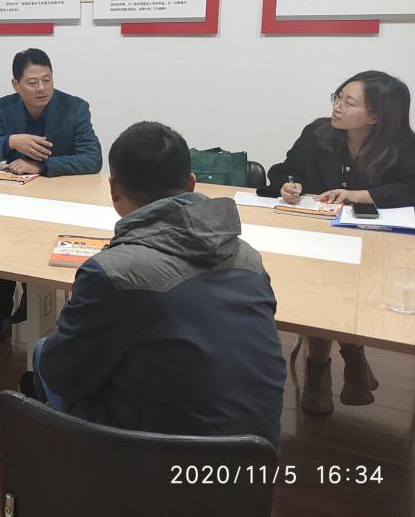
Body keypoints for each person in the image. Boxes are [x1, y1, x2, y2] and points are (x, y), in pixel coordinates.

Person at [33, 121, 286, 447]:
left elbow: (60, 373)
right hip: (256, 457)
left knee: (43, 354)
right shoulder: (249, 258)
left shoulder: (113, 272)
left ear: (114, 189)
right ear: (191, 183)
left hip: (156, 459)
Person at [263, 70, 415, 414]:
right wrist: (290, 185)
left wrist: (364, 194)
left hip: (377, 242)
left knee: (349, 291)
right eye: (338, 97)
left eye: (349, 102)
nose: (337, 107)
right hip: (319, 235)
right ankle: (326, 368)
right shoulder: (318, 133)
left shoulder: (403, 147)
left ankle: (345, 357)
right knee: (319, 289)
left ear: (376, 115)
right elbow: (285, 169)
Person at [0, 48, 102, 347]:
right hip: (14, 198)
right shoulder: (4, 107)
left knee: (37, 244)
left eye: (47, 80)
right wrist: (10, 141)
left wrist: (43, 166)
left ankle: (33, 302)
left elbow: (92, 159)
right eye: (32, 82)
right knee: (4, 240)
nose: (42, 88)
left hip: (60, 200)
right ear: (16, 84)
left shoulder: (75, 108)